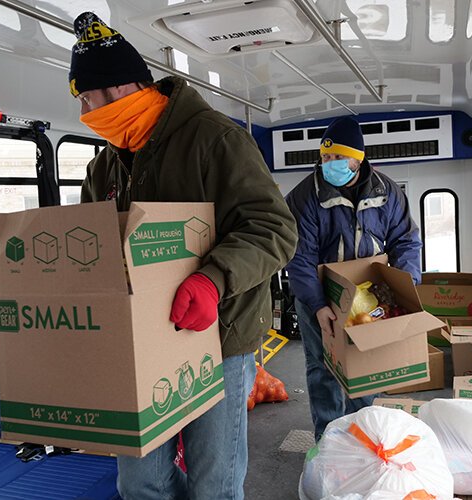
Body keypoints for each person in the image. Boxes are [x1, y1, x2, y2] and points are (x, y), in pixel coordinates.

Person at [68, 12, 297, 499]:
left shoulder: (216, 140)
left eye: (91, 99)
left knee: (214, 482)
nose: (87, 113)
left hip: (217, 341)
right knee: (140, 482)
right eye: (83, 103)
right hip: (141, 346)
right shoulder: (105, 164)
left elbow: (274, 228)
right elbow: (92, 245)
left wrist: (213, 278)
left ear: (125, 87)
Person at [285, 116, 422, 441]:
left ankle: (361, 437)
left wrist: (403, 286)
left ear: (357, 158)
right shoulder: (304, 197)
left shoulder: (386, 192)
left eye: (336, 157)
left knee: (366, 368)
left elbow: (406, 240)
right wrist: (318, 305)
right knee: (324, 370)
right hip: (317, 298)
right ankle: (330, 441)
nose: (328, 163)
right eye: (325, 157)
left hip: (370, 298)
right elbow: (299, 256)